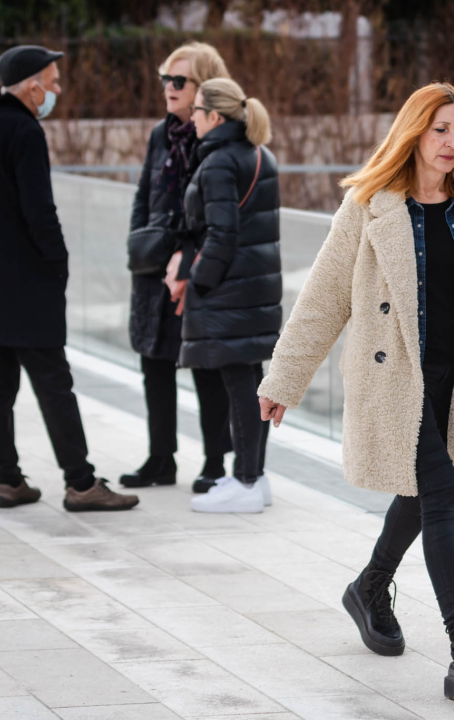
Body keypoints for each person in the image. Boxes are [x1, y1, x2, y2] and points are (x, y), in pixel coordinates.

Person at [257, 83, 454, 701]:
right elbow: (324, 298)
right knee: (441, 497)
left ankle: (369, 587)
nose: (451, 143)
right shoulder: (370, 207)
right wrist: (285, 377)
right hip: (395, 382)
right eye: (440, 129)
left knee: (421, 497)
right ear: (414, 132)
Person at [0, 45, 138, 512]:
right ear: (31, 86)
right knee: (55, 384)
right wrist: (57, 263)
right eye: (52, 83)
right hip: (28, 284)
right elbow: (40, 210)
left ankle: (4, 478)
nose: (56, 91)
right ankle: (80, 483)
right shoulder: (24, 130)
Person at [120, 42, 234, 493]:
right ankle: (161, 458)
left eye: (179, 80)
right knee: (155, 361)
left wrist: (187, 263)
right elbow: (144, 197)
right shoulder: (159, 135)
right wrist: (138, 246)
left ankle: (214, 462)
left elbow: (218, 216)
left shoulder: (219, 138)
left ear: (203, 86)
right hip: (152, 269)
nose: (169, 87)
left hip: (197, 268)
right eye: (166, 77)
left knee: (205, 367)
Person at [174, 78, 280, 514]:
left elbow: (221, 234)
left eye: (197, 111)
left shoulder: (218, 163)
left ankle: (246, 481)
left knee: (240, 384)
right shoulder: (259, 153)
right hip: (254, 289)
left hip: (228, 292)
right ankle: (254, 475)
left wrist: (194, 281)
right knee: (251, 383)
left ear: (215, 117)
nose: (192, 119)